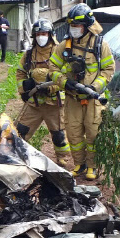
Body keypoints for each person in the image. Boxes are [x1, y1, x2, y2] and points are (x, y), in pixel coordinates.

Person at [49, 3, 115, 180]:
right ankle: (79, 165)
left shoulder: (100, 45)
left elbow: (108, 70)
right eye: (71, 26)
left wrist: (95, 88)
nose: (74, 29)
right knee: (74, 133)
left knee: (92, 133)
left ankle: (92, 166)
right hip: (72, 98)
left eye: (76, 26)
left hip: (93, 99)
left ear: (86, 26)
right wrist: (64, 83)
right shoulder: (65, 45)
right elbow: (52, 67)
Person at [15, 18, 70, 166]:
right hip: (35, 103)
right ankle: (15, 154)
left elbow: (66, 76)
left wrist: (51, 87)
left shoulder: (60, 52)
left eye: (44, 33)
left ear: (50, 34)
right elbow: (20, 72)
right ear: (34, 36)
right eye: (38, 34)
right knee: (21, 131)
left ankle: (62, 157)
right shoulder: (29, 54)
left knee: (58, 134)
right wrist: (24, 90)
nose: (41, 37)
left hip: (54, 103)